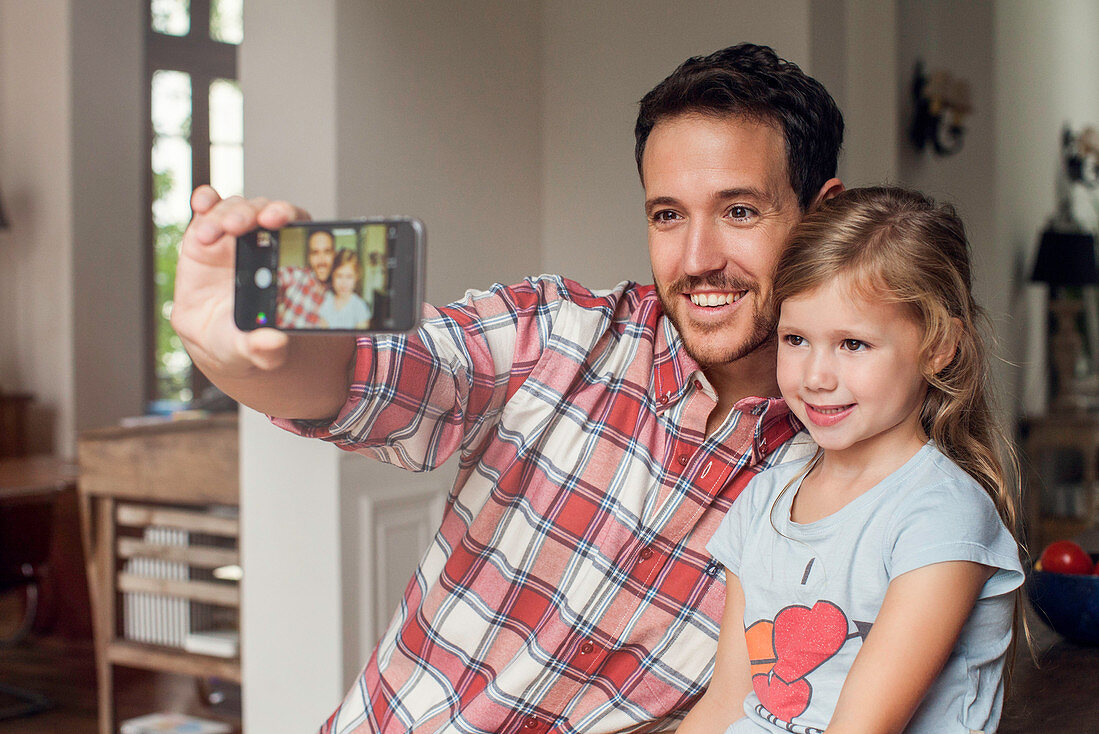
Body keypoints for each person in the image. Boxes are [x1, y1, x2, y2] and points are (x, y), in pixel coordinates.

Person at [171, 43, 844, 733]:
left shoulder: (846, 473)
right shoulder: (556, 334)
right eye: (668, 215)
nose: (698, 260)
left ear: (823, 215)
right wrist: (243, 355)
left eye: (738, 212)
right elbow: (365, 376)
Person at [680, 187, 1025, 734]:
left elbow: (864, 727)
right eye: (796, 339)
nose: (816, 376)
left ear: (938, 345)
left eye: (853, 345)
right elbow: (725, 703)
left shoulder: (941, 515)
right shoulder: (765, 500)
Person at [277, 228, 336, 328]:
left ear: (334, 254)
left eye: (327, 252)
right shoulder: (296, 275)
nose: (321, 261)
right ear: (309, 257)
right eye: (315, 253)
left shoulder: (337, 293)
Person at [319, 249, 372, 329]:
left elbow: (361, 339)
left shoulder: (360, 307)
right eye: (339, 276)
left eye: (349, 277)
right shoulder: (326, 300)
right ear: (332, 276)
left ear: (356, 277)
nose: (343, 282)